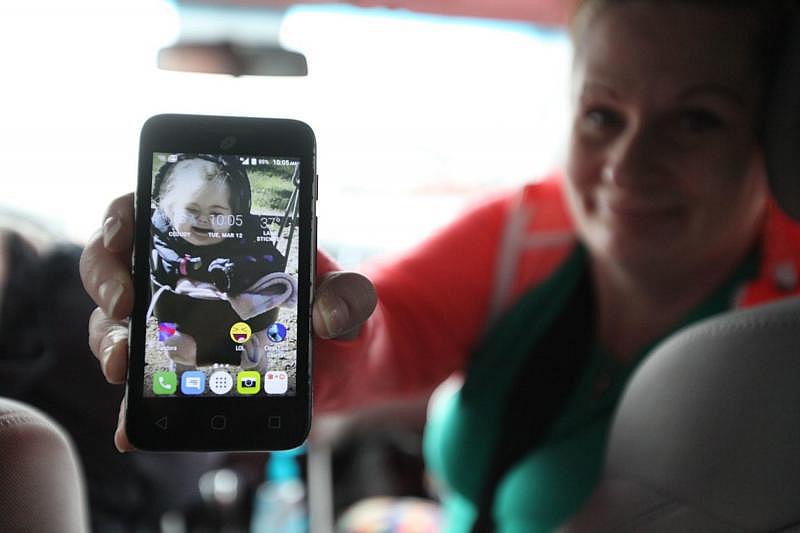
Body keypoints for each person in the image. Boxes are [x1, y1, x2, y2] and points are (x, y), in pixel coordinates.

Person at [81, 0, 800, 531]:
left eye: (697, 119)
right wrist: (319, 333)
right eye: (602, 115)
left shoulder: (782, 332)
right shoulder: (524, 231)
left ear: (773, 128)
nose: (628, 165)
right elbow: (389, 330)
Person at [148, 154, 297, 368]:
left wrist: (232, 272)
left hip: (239, 323)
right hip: (181, 318)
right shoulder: (162, 240)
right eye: (192, 210)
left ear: (234, 215)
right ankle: (181, 373)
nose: (204, 219)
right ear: (170, 210)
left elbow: (268, 263)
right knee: (174, 343)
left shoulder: (246, 240)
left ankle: (256, 371)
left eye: (217, 213)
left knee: (259, 341)